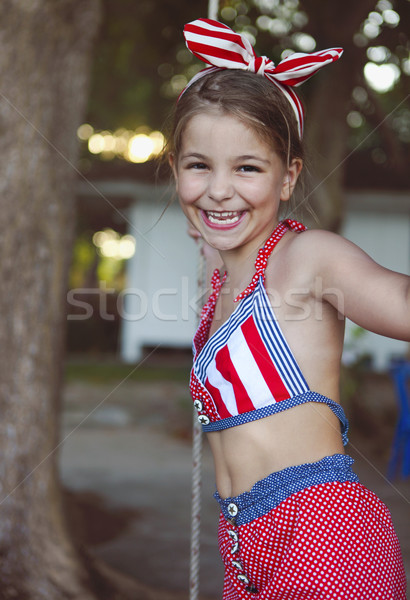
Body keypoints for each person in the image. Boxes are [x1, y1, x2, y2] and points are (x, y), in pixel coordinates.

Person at [168, 18, 409, 599]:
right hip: (246, 545)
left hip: (323, 535)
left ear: (288, 176)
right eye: (199, 165)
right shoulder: (220, 280)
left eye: (247, 168)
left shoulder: (309, 259)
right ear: (175, 169)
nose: (219, 189)